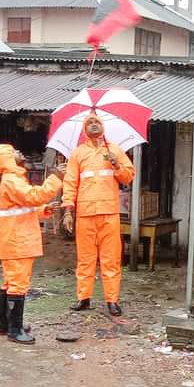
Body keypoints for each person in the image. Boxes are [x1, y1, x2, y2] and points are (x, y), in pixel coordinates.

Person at [62, 113, 135, 316]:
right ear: (84, 129)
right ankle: (83, 298)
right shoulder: (77, 154)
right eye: (89, 123)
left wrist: (116, 165)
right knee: (85, 259)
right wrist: (68, 211)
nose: (93, 125)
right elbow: (70, 183)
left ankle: (112, 300)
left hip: (109, 213)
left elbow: (128, 177)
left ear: (103, 127)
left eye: (97, 122)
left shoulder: (115, 150)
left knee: (110, 259)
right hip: (85, 214)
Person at [0, 144, 65, 344]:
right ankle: (15, 330)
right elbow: (34, 197)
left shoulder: (13, 179)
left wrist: (44, 210)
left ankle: (7, 325)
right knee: (18, 284)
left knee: (10, 283)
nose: (20, 152)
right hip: (18, 241)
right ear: (8, 159)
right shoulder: (12, 180)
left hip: (15, 240)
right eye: (14, 152)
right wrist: (56, 177)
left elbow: (24, 207)